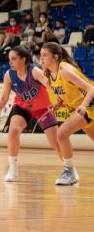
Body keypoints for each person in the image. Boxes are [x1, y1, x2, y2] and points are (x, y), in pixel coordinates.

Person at [0, 46, 62, 182]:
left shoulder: (35, 71)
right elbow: (4, 98)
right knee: (13, 131)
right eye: (9, 59)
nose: (10, 62)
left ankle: (69, 168)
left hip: (43, 108)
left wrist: (57, 100)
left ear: (23, 59)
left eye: (14, 59)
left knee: (55, 142)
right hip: (23, 106)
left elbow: (50, 85)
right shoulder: (9, 75)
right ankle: (13, 169)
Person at [40, 42, 94, 186]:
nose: (41, 59)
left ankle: (69, 172)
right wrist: (57, 105)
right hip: (81, 108)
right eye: (40, 55)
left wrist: (83, 105)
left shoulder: (64, 69)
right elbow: (65, 93)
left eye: (44, 55)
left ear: (55, 57)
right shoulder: (50, 74)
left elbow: (91, 88)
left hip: (89, 105)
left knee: (61, 134)